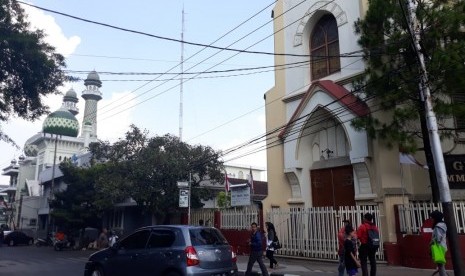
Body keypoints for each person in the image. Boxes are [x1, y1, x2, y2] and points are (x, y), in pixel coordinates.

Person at [430, 210, 447, 276]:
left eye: (432, 217)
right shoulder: (442, 225)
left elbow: (438, 238)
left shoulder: (438, 226)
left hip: (439, 247)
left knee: (441, 265)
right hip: (442, 246)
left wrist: (432, 242)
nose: (432, 219)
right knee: (440, 265)